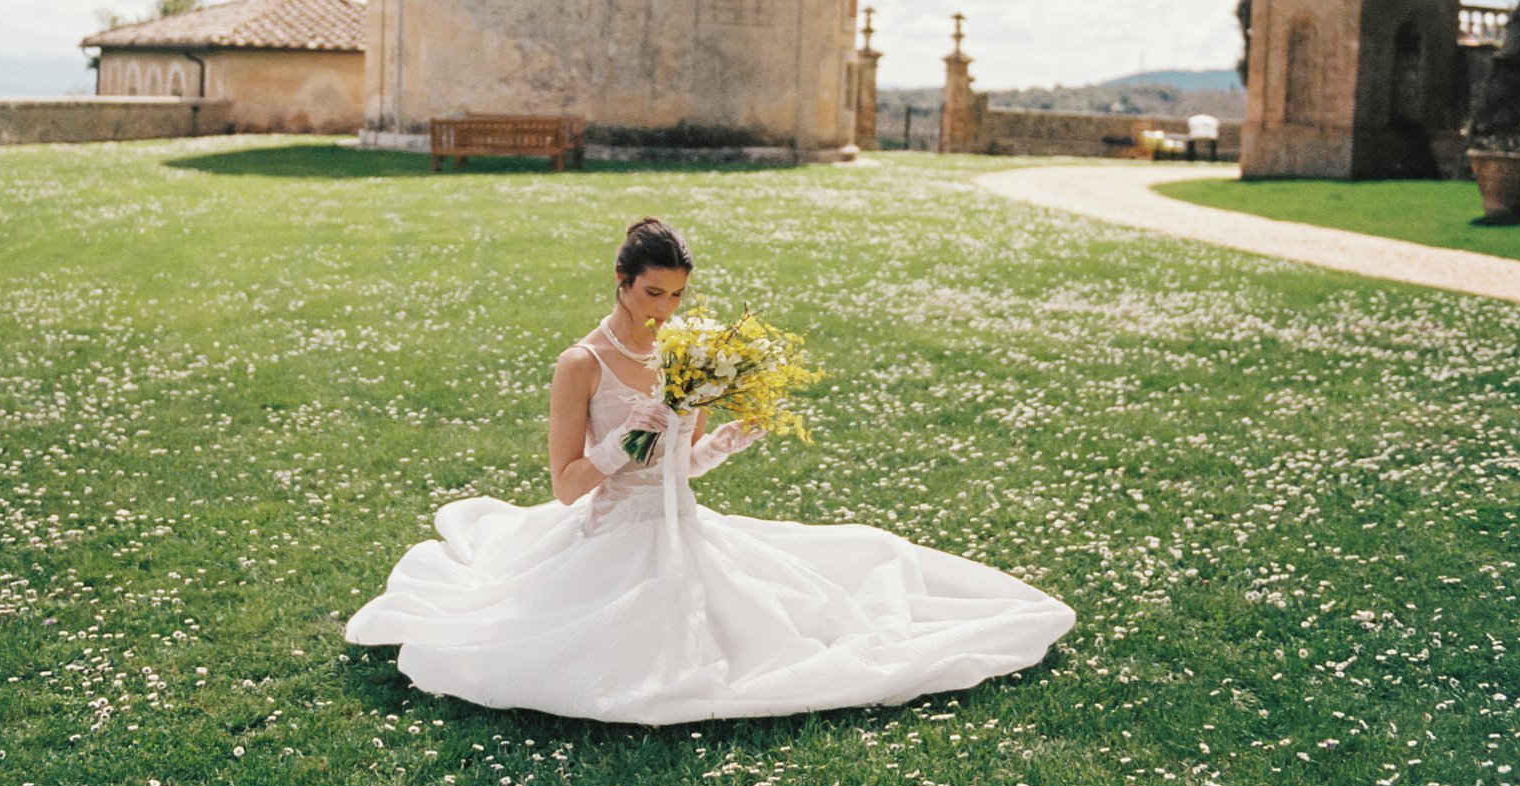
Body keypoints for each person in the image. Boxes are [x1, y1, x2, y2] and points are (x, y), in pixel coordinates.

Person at [344, 217, 1077, 725]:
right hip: (609, 535)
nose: (666, 311)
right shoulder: (582, 364)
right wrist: (622, 441)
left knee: (837, 580)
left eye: (678, 296)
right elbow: (565, 486)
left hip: (682, 525)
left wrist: (724, 441)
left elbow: (679, 470)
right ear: (621, 282)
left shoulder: (684, 353)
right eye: (652, 294)